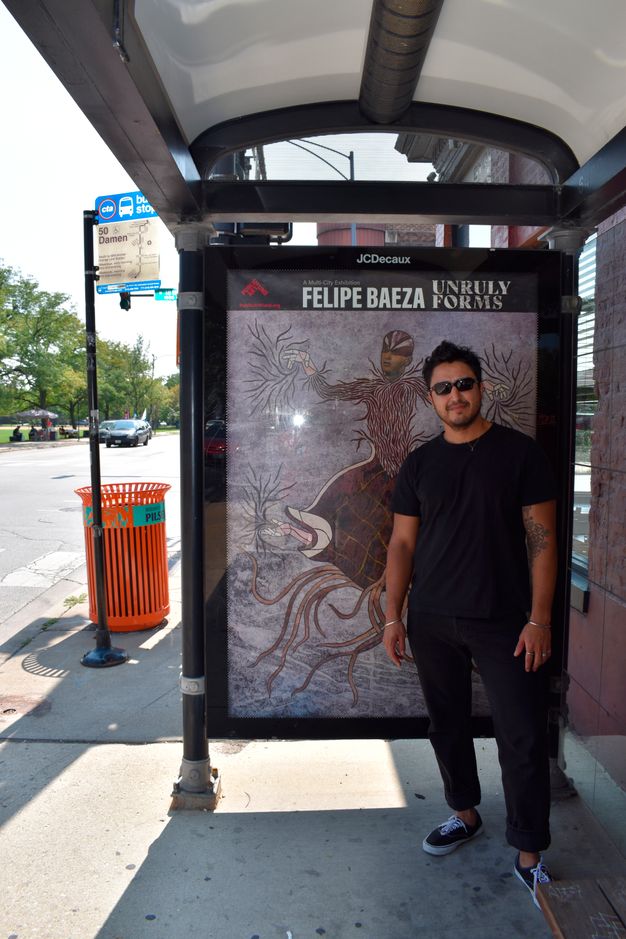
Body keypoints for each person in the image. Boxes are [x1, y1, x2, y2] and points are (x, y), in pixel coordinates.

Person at [383, 340, 557, 909]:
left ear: (481, 388)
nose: (455, 395)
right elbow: (402, 543)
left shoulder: (520, 455)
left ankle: (529, 854)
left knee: (523, 735)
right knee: (447, 725)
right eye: (443, 388)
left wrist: (539, 618)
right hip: (432, 618)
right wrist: (393, 614)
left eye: (464, 384)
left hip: (505, 620)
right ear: (429, 398)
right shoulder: (420, 463)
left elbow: (543, 541)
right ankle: (464, 813)